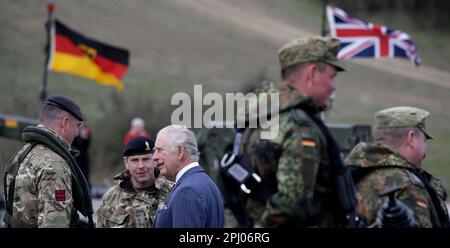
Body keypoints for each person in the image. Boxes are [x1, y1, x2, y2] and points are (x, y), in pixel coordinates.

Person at [235, 37, 357, 227]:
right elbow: (291, 205)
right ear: (313, 72)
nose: (333, 87)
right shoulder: (301, 128)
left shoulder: (261, 116)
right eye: (331, 77)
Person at [345, 106, 450, 228]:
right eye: (424, 140)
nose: (425, 151)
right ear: (411, 138)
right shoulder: (406, 184)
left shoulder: (353, 174)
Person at [3, 95, 93, 228]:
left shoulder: (21, 153)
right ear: (65, 122)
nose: (77, 133)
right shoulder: (54, 166)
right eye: (77, 126)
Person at [152, 125, 225, 228]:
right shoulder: (206, 182)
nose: (154, 157)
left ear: (179, 151)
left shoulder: (187, 190)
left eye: (159, 150)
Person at [96, 136, 174, 228]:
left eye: (145, 159)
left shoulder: (172, 192)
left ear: (155, 161)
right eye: (135, 160)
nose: (140, 166)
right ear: (126, 163)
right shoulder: (111, 195)